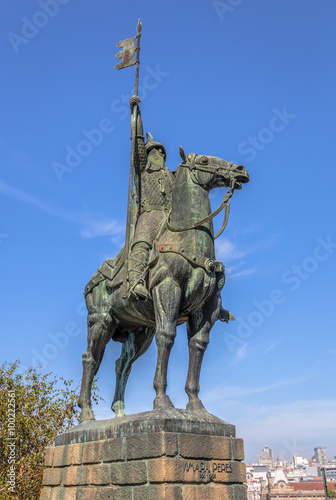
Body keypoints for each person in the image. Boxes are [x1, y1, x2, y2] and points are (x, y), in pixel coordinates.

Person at [127, 96, 174, 300]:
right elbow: (137, 143)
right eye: (156, 151)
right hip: (151, 213)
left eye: (162, 152)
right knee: (142, 243)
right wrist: (136, 113)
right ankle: (135, 281)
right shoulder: (144, 169)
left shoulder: (172, 176)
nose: (160, 154)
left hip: (172, 217)